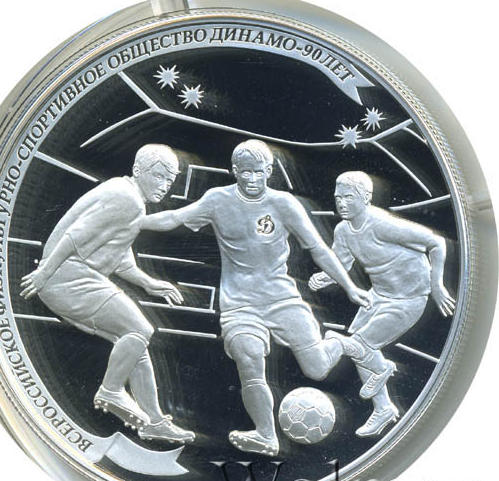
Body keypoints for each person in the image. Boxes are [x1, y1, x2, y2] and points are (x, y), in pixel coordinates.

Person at [141, 139, 374, 456]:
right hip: (240, 305)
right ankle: (266, 435)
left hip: (282, 299)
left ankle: (338, 343)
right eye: (245, 172)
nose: (252, 179)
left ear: (269, 171)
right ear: (235, 171)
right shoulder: (217, 200)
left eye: (258, 172)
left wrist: (349, 286)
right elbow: (175, 218)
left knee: (317, 368)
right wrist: (135, 222)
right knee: (248, 357)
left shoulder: (284, 204)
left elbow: (318, 248)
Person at [19, 144, 195, 445]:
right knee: (140, 330)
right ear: (138, 170)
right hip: (67, 277)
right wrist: (44, 273)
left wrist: (149, 283)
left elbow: (119, 255)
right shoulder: (127, 199)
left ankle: (153, 422)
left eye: (170, 180)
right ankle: (111, 389)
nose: (165, 185)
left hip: (71, 276)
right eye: (158, 176)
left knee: (134, 343)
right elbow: (76, 235)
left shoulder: (126, 195)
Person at [309, 171, 455, 437]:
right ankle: (384, 407)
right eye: (338, 198)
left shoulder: (382, 224)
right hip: (378, 295)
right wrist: (325, 277)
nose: (341, 203)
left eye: (348, 197)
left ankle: (376, 365)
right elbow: (342, 263)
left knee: (359, 345)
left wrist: (437, 286)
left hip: (408, 300)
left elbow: (436, 242)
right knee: (361, 347)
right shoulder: (343, 231)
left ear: (366, 197)